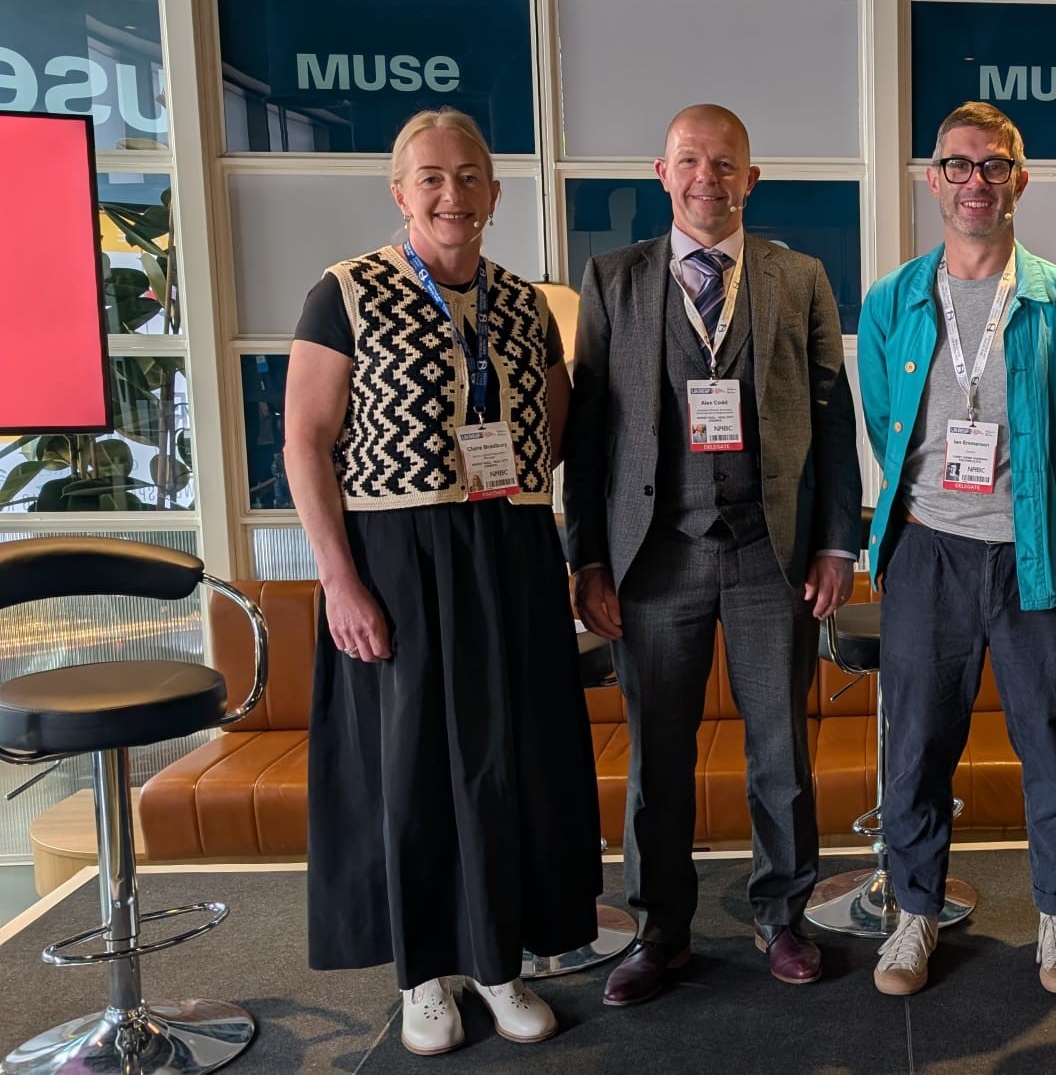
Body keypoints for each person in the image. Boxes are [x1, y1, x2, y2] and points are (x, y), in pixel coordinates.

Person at [286, 108, 600, 1057]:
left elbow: (555, 429)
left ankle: (498, 961)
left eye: (468, 177)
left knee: (510, 765)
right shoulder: (345, 292)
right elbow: (305, 442)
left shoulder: (524, 304)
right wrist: (340, 581)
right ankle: (423, 975)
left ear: (494, 194)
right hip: (398, 560)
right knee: (412, 769)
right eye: (430, 178)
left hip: (509, 553)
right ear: (400, 192)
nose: (451, 195)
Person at [564, 104, 861, 1007]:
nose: (708, 178)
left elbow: (832, 417)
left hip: (772, 554)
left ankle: (784, 916)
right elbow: (588, 433)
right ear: (662, 174)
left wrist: (836, 542)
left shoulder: (798, 277)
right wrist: (587, 560)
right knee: (658, 758)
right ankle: (661, 930)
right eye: (690, 161)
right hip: (655, 559)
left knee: (781, 751)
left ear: (750, 179)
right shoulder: (612, 279)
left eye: (725, 163)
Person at [856, 101, 1056, 999]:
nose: (975, 182)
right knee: (917, 746)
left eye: (994, 165)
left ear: (1019, 180)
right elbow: (887, 424)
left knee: (1052, 742)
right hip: (928, 554)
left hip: (1037, 556)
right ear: (934, 180)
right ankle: (915, 912)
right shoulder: (894, 300)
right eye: (958, 165)